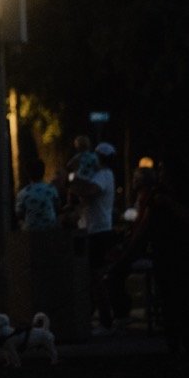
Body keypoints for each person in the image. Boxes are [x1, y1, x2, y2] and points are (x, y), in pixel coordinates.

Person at [111, 156, 189, 360]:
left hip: (185, 253)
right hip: (166, 253)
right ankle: (176, 345)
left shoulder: (186, 192)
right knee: (169, 302)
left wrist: (170, 204)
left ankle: (188, 345)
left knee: (180, 300)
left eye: (164, 170)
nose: (161, 174)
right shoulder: (158, 193)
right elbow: (146, 224)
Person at [71, 140, 120, 333]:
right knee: (91, 277)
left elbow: (91, 191)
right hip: (91, 230)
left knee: (96, 277)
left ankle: (105, 319)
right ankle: (95, 315)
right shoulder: (97, 175)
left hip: (99, 231)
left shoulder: (104, 175)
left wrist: (75, 180)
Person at [14, 159, 61, 232]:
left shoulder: (22, 193)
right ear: (43, 172)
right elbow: (57, 207)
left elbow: (19, 213)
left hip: (30, 228)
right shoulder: (51, 189)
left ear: (27, 174)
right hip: (50, 227)